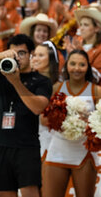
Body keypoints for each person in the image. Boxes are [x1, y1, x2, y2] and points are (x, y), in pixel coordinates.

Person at [0, 34, 52, 197]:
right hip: (1, 145)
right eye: (14, 53)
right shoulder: (2, 74)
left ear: (31, 54)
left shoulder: (41, 81)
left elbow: (37, 108)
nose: (17, 57)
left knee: (30, 193)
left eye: (21, 53)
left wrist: (16, 82)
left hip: (26, 147)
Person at [43, 50, 101, 197]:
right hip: (57, 150)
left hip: (84, 153)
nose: (77, 68)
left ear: (88, 67)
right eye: (73, 63)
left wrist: (88, 120)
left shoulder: (96, 90)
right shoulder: (56, 88)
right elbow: (42, 118)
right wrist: (61, 118)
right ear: (66, 66)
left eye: (82, 64)